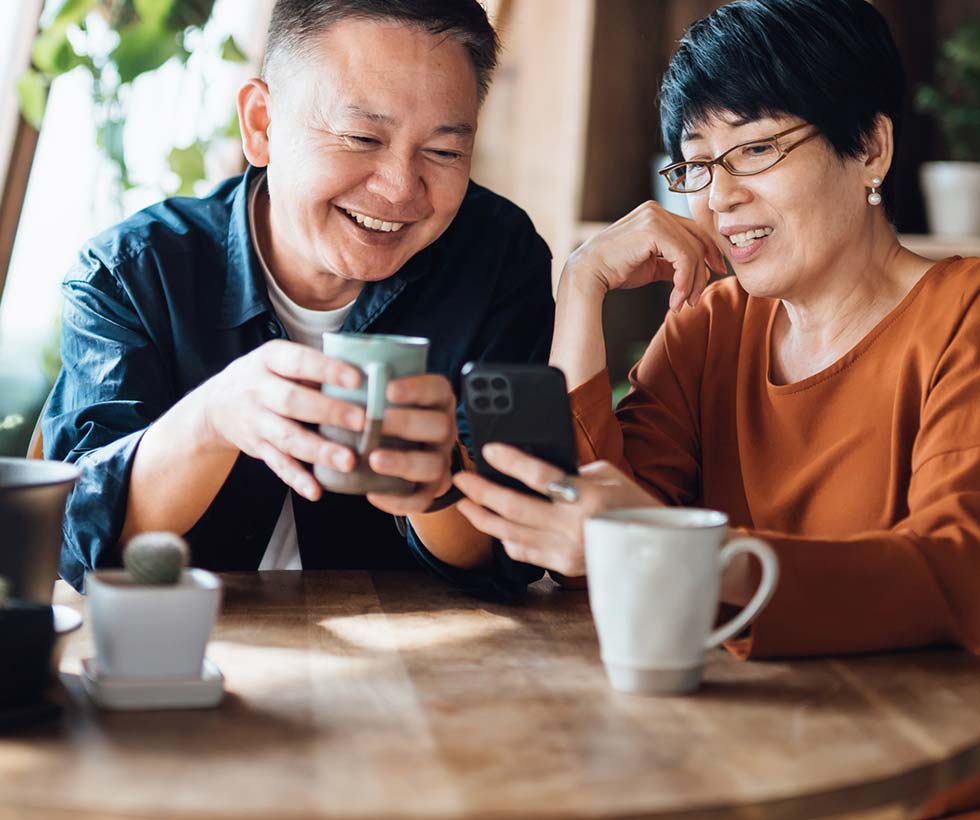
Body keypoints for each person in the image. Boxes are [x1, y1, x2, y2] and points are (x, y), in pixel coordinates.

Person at [454, 0, 980, 659]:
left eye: (756, 148)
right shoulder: (709, 327)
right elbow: (579, 543)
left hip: (916, 741)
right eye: (696, 163)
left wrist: (675, 549)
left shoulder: (966, 316)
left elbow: (956, 571)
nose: (718, 197)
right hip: (722, 731)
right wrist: (581, 287)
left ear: (870, 147)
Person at [44, 0, 552, 598]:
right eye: (362, 136)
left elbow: (518, 550)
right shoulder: (133, 273)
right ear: (261, 124)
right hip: (186, 649)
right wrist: (212, 419)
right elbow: (77, 544)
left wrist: (439, 486)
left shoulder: (499, 258)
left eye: (443, 152)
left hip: (417, 668)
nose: (399, 188)